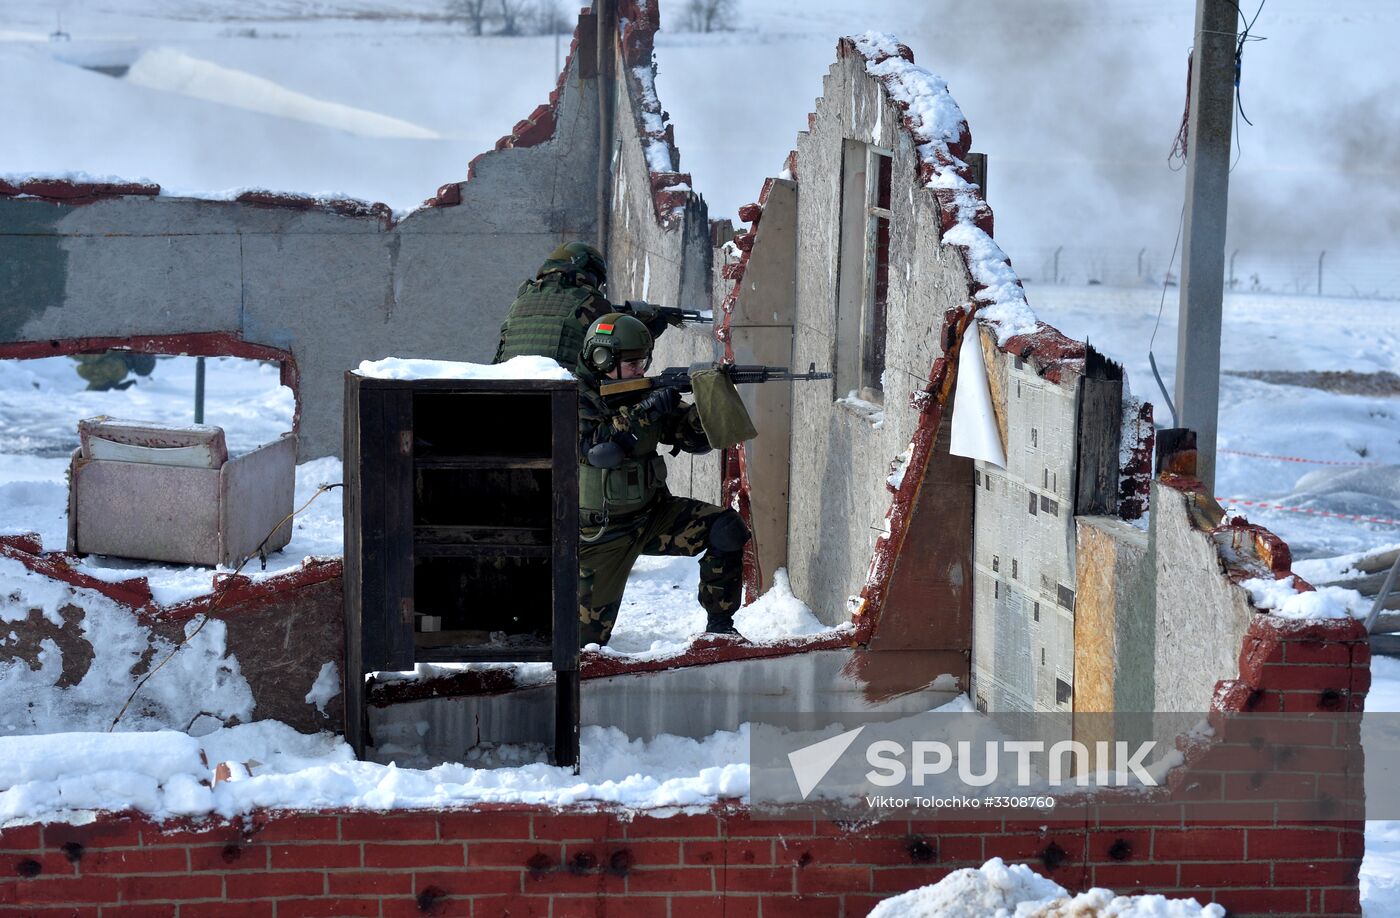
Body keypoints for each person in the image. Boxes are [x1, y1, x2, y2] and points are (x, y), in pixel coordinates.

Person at [574, 313, 750, 647]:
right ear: (602, 358)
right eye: (633, 362)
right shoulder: (573, 395)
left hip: (653, 515)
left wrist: (710, 396)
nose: (641, 369)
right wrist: (646, 411)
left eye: (644, 360)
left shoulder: (641, 393)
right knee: (585, 643)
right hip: (600, 533)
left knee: (725, 528)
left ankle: (720, 629)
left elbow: (694, 441)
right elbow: (598, 450)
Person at [493, 242, 672, 369]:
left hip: (509, 392)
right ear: (590, 273)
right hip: (563, 399)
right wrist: (650, 327)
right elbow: (622, 347)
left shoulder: (522, 298)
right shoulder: (589, 301)